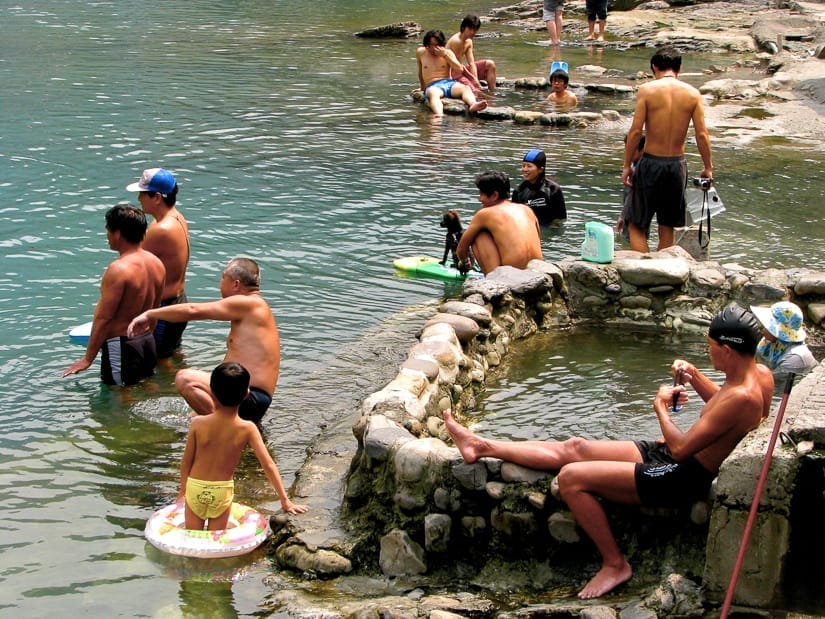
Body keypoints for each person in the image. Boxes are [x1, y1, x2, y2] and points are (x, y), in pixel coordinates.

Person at [444, 304, 774, 599]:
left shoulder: (742, 396)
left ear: (728, 349)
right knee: (576, 447)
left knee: (571, 478)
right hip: (676, 457)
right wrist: (695, 376)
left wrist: (659, 406)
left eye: (711, 345)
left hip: (682, 476)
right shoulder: (760, 375)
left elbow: (684, 449)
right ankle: (481, 446)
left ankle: (615, 564)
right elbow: (725, 414)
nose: (708, 349)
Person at [127, 257, 280, 423]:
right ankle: (227, 426)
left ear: (236, 284)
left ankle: (226, 428)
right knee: (189, 419)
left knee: (184, 379)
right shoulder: (255, 306)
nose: (220, 284)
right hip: (247, 394)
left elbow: (193, 310)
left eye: (223, 278)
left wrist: (150, 314)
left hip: (251, 396)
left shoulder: (248, 304)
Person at [177, 361, 307, 530]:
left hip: (195, 488)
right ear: (246, 394)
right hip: (221, 491)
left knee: (192, 541)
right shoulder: (247, 428)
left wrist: (182, 492)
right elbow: (268, 464)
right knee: (217, 543)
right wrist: (285, 500)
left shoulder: (197, 423)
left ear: (212, 392)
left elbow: (186, 461)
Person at [621, 46, 713, 253]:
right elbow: (702, 135)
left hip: (651, 161)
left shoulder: (647, 90)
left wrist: (627, 165)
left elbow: (636, 132)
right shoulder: (693, 94)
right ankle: (662, 271)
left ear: (654, 67)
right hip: (676, 165)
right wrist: (708, 167)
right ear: (679, 69)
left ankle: (642, 267)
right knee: (667, 225)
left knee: (635, 223)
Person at [62, 204, 166, 386]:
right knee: (148, 386)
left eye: (108, 230)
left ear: (118, 233)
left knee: (120, 395)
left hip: (122, 345)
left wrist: (87, 359)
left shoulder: (118, 269)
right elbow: (155, 310)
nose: (107, 235)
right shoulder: (157, 264)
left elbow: (104, 318)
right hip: (147, 340)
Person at [126, 168, 190, 358]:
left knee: (156, 364)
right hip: (177, 303)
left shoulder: (161, 229)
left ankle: (173, 387)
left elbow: (136, 267)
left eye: (143, 194)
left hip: (163, 309)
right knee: (171, 355)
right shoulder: (176, 217)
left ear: (157, 198)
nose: (139, 198)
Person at [456, 171, 543, 274]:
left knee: (478, 234)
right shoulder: (527, 209)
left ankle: (492, 279)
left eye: (482, 194)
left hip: (511, 278)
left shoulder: (484, 214)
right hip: (538, 272)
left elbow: (461, 249)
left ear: (494, 195)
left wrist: (465, 263)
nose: (480, 199)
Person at [417, 29, 488, 117]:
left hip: (449, 83)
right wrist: (422, 88)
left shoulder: (448, 53)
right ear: (427, 44)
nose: (434, 48)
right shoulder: (421, 52)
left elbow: (459, 69)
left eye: (436, 45)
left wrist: (445, 55)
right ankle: (439, 115)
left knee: (466, 88)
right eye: (431, 45)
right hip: (432, 85)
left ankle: (473, 104)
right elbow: (420, 72)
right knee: (433, 93)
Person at [751, 301, 819, 380]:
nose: (763, 329)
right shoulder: (768, 342)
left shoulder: (794, 358)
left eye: (767, 326)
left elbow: (774, 386)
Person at [512, 148, 567, 227]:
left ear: (540, 170)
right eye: (523, 166)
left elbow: (560, 218)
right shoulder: (518, 191)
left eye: (529, 166)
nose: (525, 169)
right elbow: (515, 218)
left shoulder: (553, 189)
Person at [446, 15, 497, 93]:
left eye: (475, 29)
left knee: (490, 64)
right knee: (475, 89)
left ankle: (493, 92)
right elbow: (458, 67)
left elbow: (471, 63)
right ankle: (485, 101)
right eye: (470, 29)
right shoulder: (457, 41)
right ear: (463, 28)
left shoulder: (468, 41)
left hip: (461, 69)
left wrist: (475, 79)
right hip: (452, 73)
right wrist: (473, 82)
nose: (473, 32)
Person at [617, 133, 646, 242]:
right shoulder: (634, 165)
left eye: (629, 150)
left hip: (633, 212)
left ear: (641, 150)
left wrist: (623, 215)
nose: (627, 154)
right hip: (629, 210)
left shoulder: (638, 170)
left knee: (632, 236)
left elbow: (633, 195)